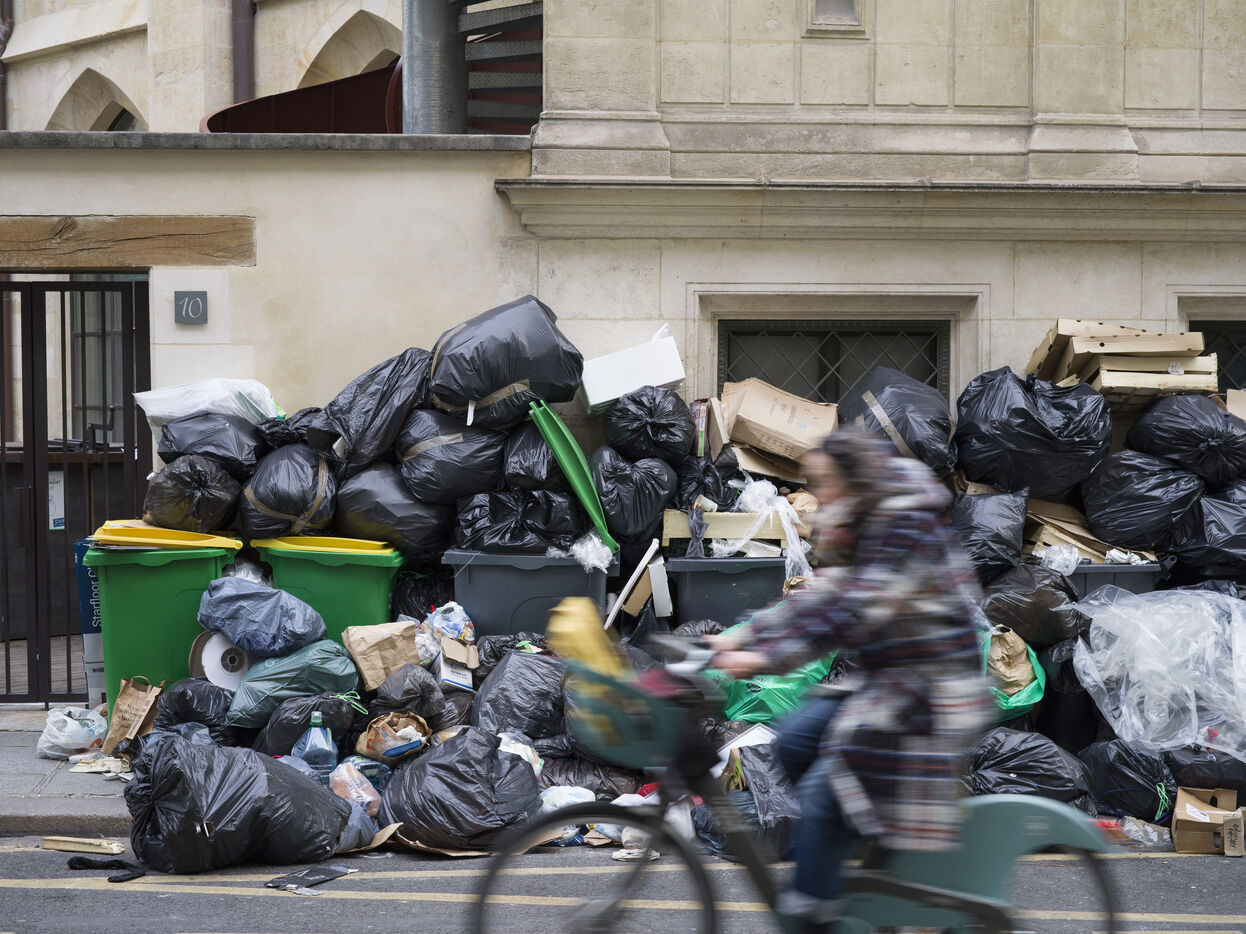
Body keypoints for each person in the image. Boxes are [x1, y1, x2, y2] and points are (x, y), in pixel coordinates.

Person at [708, 429, 992, 931]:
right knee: (793, 741)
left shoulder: (903, 521)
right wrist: (747, 636)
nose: (818, 495)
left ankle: (814, 909)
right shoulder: (859, 514)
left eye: (824, 484)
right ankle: (857, 849)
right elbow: (825, 596)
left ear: (854, 479)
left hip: (931, 688)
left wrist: (762, 658)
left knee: (827, 789)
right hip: (888, 678)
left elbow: (854, 610)